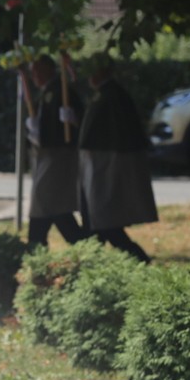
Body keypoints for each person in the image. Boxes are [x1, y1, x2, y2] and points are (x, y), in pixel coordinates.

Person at [77, 56, 158, 262]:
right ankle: (94, 268)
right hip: (98, 170)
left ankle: (140, 262)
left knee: (107, 227)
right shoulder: (105, 95)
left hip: (105, 171)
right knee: (101, 228)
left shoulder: (112, 96)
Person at [22, 55, 90, 249]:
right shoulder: (47, 92)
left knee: (49, 204)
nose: (35, 75)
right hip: (46, 154)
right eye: (33, 71)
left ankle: (37, 245)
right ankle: (39, 244)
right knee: (53, 208)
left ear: (50, 70)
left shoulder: (62, 91)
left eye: (38, 71)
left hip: (58, 155)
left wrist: (72, 119)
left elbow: (77, 121)